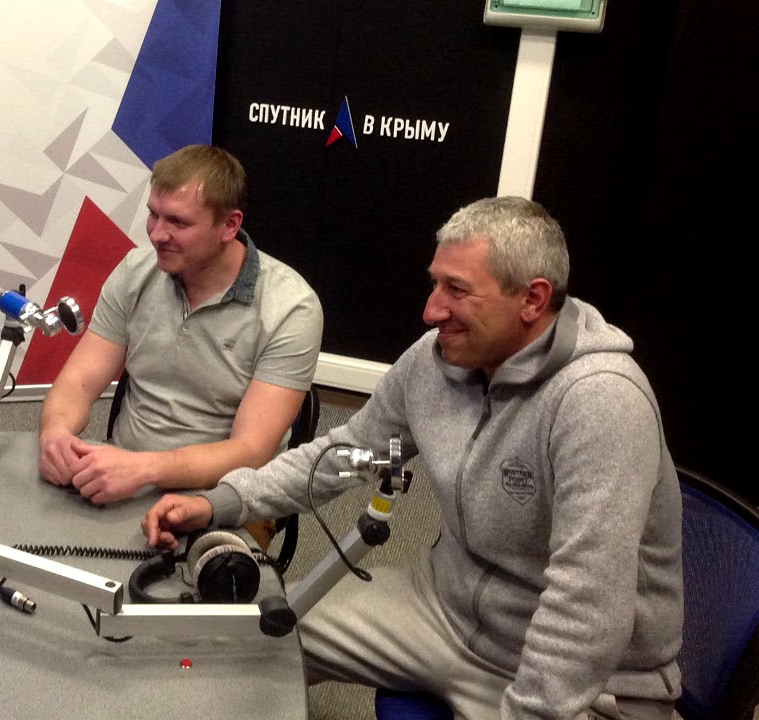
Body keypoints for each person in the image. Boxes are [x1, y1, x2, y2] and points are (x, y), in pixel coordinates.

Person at [142, 196, 682, 719]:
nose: (431, 310)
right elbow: (345, 453)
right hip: (441, 610)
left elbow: (586, 607)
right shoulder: (437, 360)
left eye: (457, 290)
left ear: (533, 300)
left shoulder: (600, 400)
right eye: (435, 283)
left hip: (582, 677)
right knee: (260, 641)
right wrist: (220, 503)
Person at [37, 144, 323, 511]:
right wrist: (56, 433)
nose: (157, 234)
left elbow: (251, 451)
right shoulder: (135, 272)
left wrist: (144, 469)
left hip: (221, 495)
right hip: (121, 475)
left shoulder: (291, 308)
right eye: (153, 215)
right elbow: (78, 382)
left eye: (177, 222)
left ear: (230, 225)